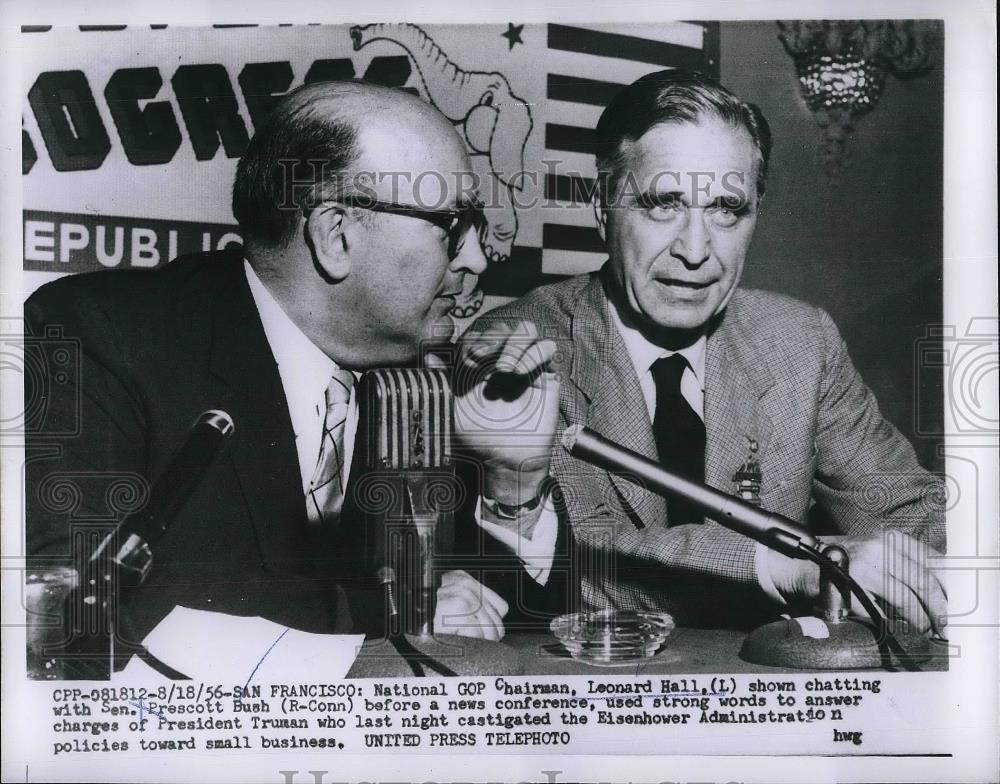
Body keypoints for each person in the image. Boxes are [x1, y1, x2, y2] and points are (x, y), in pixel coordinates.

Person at [24, 81, 565, 655]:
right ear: (335, 236)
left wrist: (514, 482)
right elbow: (74, 605)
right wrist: (387, 609)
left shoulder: (425, 383)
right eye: (453, 227)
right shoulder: (96, 336)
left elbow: (505, 633)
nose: (477, 258)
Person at [477, 69, 946, 634]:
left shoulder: (801, 340)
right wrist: (794, 564)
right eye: (663, 204)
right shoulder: (524, 347)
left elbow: (911, 512)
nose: (696, 250)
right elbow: (585, 557)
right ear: (603, 207)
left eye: (726, 208)